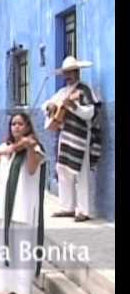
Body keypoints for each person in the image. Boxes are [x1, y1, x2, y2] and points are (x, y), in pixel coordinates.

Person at [0, 112, 46, 294]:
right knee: (4, 249)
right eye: (13, 124)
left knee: (22, 252)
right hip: (4, 209)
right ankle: (7, 288)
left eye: (20, 124)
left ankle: (22, 292)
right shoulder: (6, 148)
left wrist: (28, 147)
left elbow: (32, 169)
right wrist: (4, 152)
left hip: (23, 209)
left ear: (28, 127)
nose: (16, 127)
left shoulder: (34, 148)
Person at [41, 56, 102, 222]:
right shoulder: (63, 91)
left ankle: (84, 210)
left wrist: (73, 107)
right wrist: (50, 107)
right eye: (66, 73)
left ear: (77, 72)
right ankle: (67, 207)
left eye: (71, 72)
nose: (68, 76)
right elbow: (46, 104)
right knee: (63, 170)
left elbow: (90, 113)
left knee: (81, 173)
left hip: (81, 136)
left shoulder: (84, 90)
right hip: (65, 135)